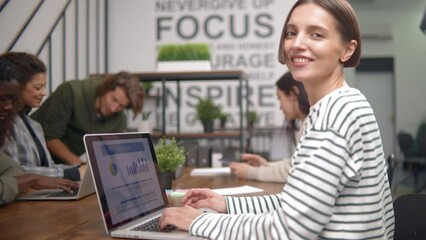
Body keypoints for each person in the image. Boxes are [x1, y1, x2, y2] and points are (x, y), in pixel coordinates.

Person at [159, 0, 395, 239]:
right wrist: (228, 205)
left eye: (316, 34)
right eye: (291, 33)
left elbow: (289, 229)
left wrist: (201, 222)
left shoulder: (333, 116)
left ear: (347, 49)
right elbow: (300, 206)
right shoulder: (348, 102)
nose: (297, 44)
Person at [0, 57, 79, 206]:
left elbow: (15, 170)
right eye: (38, 87)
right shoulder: (6, 125)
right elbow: (21, 173)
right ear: (20, 88)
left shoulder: (34, 125)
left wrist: (77, 169)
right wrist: (70, 173)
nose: (44, 93)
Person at [31, 71, 144, 165]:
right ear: (105, 89)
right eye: (114, 99)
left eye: (121, 106)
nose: (114, 108)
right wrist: (81, 166)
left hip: (60, 165)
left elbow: (110, 154)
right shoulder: (71, 91)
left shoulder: (119, 119)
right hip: (29, 151)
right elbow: (50, 137)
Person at [229, 71, 309, 182]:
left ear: (292, 94)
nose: (280, 107)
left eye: (279, 98)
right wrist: (266, 166)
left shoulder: (312, 125)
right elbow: (295, 164)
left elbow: (294, 171)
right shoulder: (308, 123)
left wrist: (250, 172)